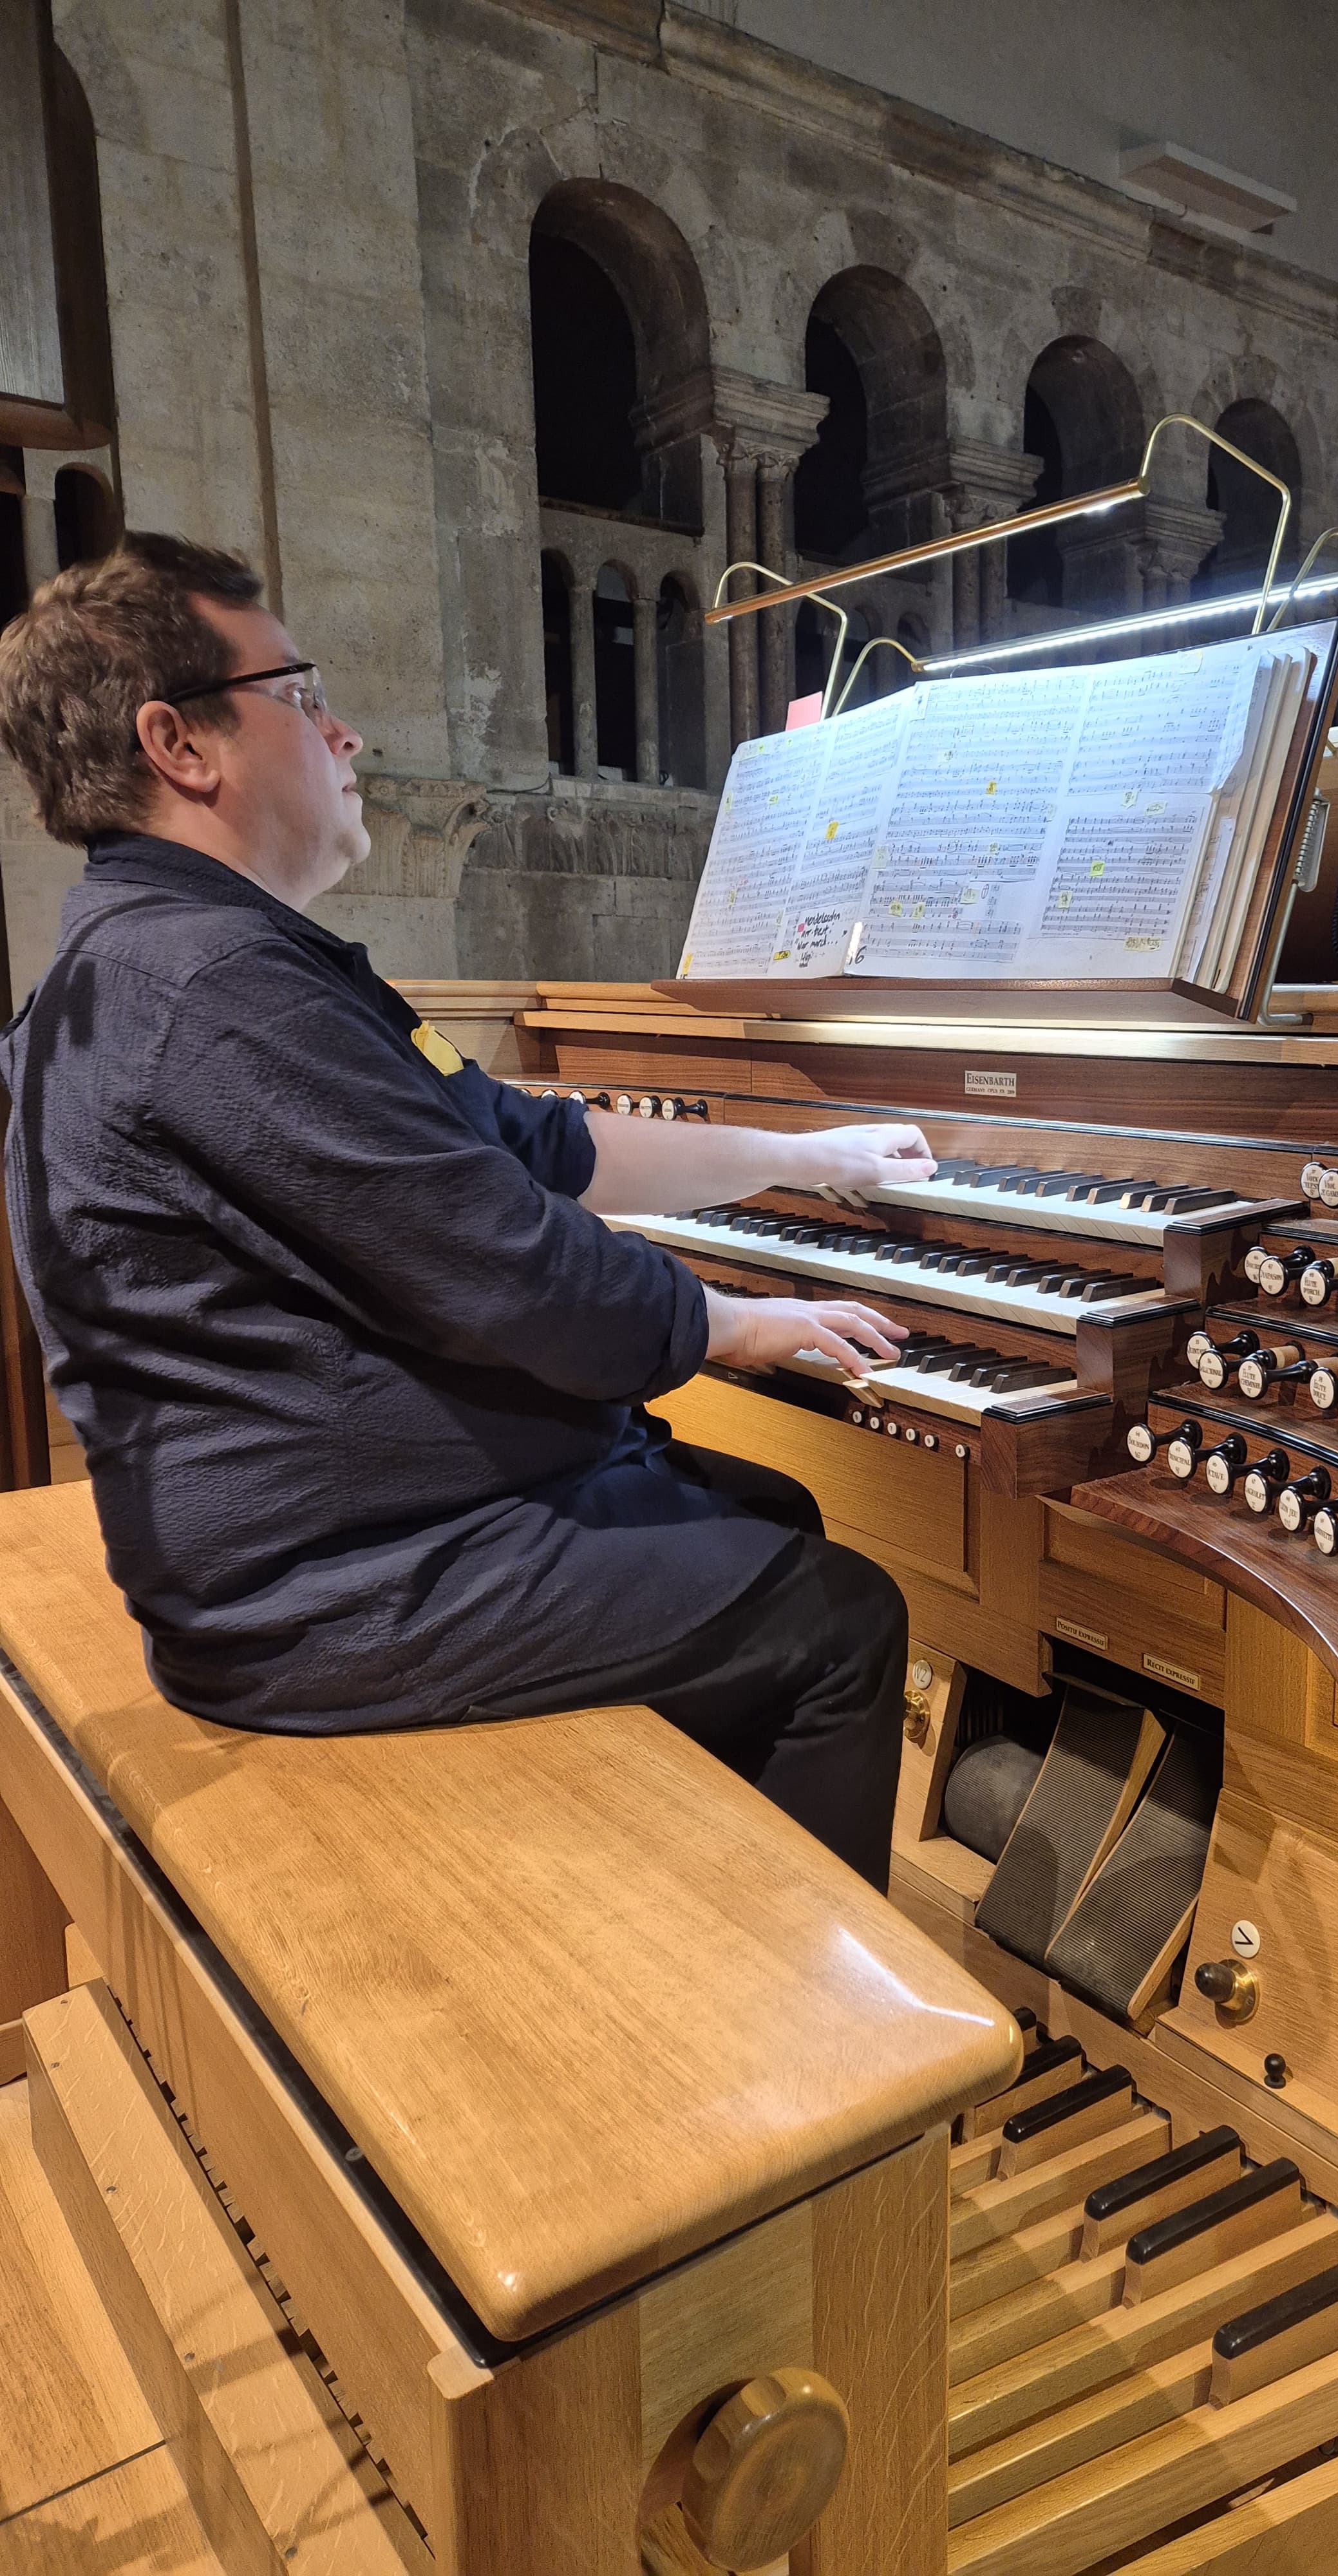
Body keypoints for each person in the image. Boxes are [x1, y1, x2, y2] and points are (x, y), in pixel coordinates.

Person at [0, 533, 935, 1889]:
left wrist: (803, 1148)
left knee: (770, 1504)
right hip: (329, 1590)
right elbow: (511, 1269)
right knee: (841, 1622)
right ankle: (811, 2073)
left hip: (310, 1542)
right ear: (180, 743)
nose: (345, 729)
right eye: (301, 691)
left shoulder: (182, 956)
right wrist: (738, 1322)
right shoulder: (213, 993)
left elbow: (526, 1142)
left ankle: (677, 1922)